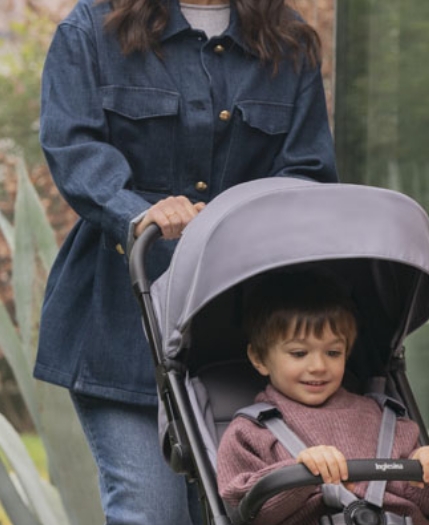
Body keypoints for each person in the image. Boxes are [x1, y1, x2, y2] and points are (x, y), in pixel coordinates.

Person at [34, 0, 338, 523]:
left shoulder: (286, 37)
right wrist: (142, 213)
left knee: (236, 511)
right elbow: (73, 146)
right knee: (150, 513)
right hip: (122, 329)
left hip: (238, 333)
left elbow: (307, 171)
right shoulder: (92, 27)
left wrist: (240, 219)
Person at [217, 270, 429, 525]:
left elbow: (428, 506)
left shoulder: (385, 419)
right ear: (259, 358)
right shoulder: (250, 434)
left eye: (333, 352)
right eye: (299, 353)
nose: (319, 366)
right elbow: (249, 514)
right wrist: (297, 478)